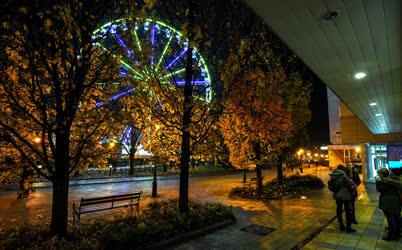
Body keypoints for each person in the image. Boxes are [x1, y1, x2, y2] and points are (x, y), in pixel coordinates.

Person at [329, 164, 357, 232]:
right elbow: (351, 184)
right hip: (345, 196)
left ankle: (341, 225)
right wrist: (354, 187)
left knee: (339, 210)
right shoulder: (343, 176)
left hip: (337, 196)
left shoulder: (333, 175)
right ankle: (348, 227)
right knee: (348, 211)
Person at [376, 168, 401, 241]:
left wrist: (377, 182)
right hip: (396, 201)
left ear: (382, 174)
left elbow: (379, 189)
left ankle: (391, 235)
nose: (378, 175)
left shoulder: (385, 181)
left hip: (388, 202)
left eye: (379, 173)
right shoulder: (395, 180)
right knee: (396, 217)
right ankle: (397, 233)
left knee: (390, 218)